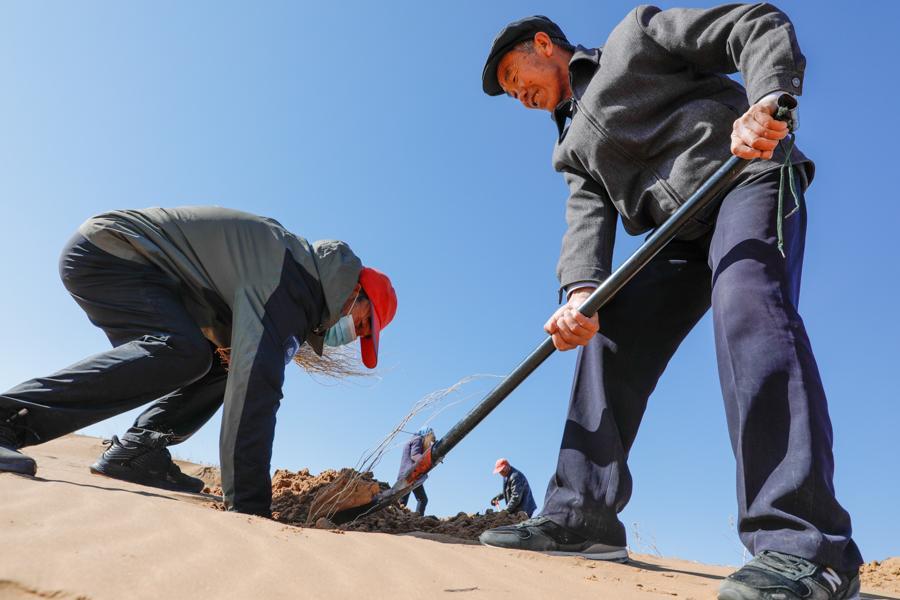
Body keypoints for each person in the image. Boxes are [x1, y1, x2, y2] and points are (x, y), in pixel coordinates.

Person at [476, 6, 862, 599]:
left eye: (512, 75)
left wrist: (767, 101)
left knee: (746, 301)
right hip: (679, 236)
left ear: (544, 45)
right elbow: (586, 223)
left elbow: (754, 24)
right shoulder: (571, 147)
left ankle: (804, 545)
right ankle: (581, 516)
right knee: (608, 329)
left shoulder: (637, 38)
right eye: (508, 92)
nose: (517, 93)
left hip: (748, 176)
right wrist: (580, 293)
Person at [0, 206, 397, 518]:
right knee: (185, 352)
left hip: (139, 268)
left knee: (215, 361)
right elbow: (256, 390)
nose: (353, 334)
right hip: (113, 251)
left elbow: (240, 368)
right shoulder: (290, 279)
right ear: (354, 293)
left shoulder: (300, 277)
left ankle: (140, 451)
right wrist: (250, 507)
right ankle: (7, 419)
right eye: (362, 326)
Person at [397, 426, 435, 516]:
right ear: (427, 435)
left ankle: (401, 517)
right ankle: (417, 518)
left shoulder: (415, 439)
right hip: (410, 475)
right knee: (422, 499)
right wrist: (427, 461)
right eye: (431, 437)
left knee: (403, 501)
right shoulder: (417, 439)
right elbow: (414, 455)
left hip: (409, 475)